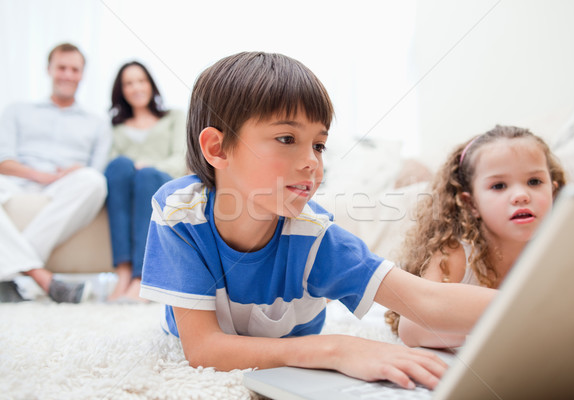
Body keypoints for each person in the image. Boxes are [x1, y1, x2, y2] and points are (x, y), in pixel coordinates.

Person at [139, 52, 496, 390]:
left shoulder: (315, 236)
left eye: (319, 145)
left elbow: (427, 300)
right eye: (286, 138)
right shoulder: (179, 213)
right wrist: (334, 349)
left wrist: (546, 318)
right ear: (217, 149)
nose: (312, 161)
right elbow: (204, 349)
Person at [385, 125, 567, 348]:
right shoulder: (456, 253)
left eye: (534, 182)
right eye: (499, 185)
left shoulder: (560, 249)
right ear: (471, 203)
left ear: (554, 191)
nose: (521, 195)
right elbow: (412, 328)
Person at [0, 43, 110, 303]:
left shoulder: (98, 123)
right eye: (62, 68)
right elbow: (3, 161)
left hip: (67, 189)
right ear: (49, 69)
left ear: (82, 74)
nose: (68, 75)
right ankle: (41, 277)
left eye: (75, 69)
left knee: (94, 181)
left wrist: (79, 171)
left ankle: (14, 272)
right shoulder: (17, 110)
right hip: (18, 183)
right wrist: (42, 175)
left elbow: (97, 171)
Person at [104, 61, 186, 302]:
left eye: (141, 81)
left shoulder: (174, 117)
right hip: (129, 186)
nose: (136, 87)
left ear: (151, 85)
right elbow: (110, 165)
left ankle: (143, 278)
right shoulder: (115, 128)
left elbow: (181, 158)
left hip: (161, 180)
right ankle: (124, 274)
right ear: (122, 91)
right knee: (119, 166)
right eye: (129, 83)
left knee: (146, 175)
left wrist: (150, 166)